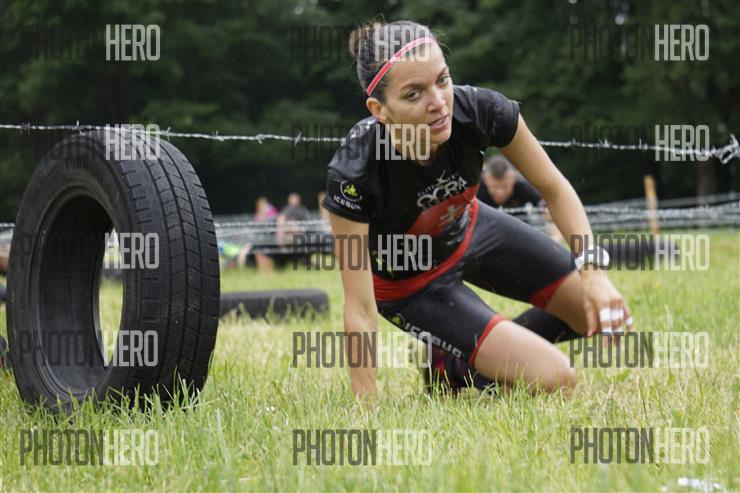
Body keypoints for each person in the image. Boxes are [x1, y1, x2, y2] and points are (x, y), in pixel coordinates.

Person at [321, 20, 633, 405]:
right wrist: (365, 413)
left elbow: (554, 187)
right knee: (556, 378)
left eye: (442, 80)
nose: (438, 102)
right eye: (414, 93)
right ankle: (450, 366)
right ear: (379, 110)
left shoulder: (482, 111)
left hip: (473, 230)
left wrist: (593, 273)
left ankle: (462, 355)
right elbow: (359, 306)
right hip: (412, 285)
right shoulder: (354, 172)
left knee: (599, 312)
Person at [477, 154, 543, 208]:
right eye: (495, 187)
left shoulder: (522, 186)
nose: (500, 193)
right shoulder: (477, 189)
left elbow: (543, 204)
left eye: (504, 187)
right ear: (486, 181)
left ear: (513, 179)